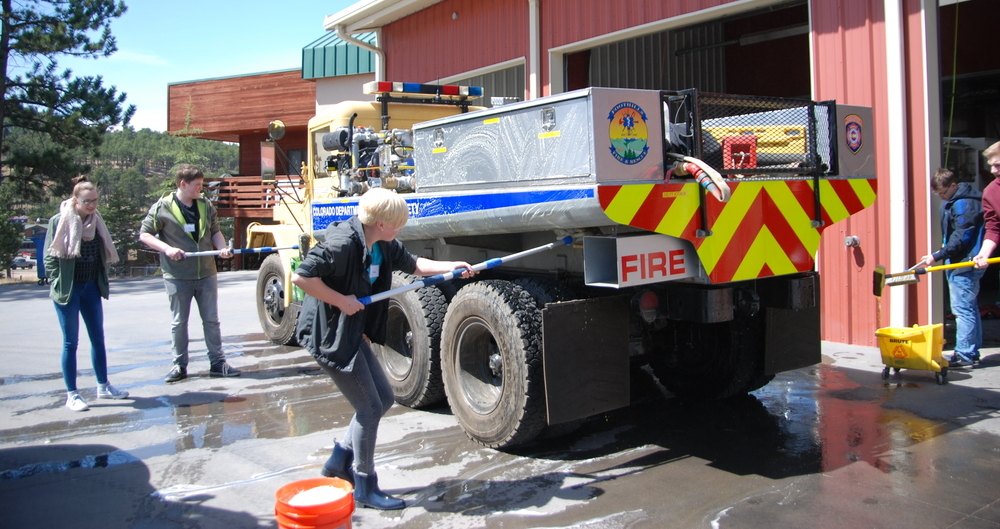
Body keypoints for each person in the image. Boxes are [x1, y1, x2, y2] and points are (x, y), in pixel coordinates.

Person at [291, 188, 477, 510]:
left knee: (384, 398)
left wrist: (453, 266)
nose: (400, 229)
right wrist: (341, 301)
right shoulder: (344, 243)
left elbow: (415, 264)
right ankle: (364, 484)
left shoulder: (383, 244)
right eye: (397, 224)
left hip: (352, 332)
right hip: (330, 334)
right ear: (379, 223)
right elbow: (301, 276)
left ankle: (339, 461)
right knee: (369, 409)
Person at [139, 164, 239, 383]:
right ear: (182, 184)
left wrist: (221, 248)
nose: (200, 190)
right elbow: (145, 235)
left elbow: (215, 231)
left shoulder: (205, 205)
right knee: (179, 322)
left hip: (206, 273)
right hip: (177, 275)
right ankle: (179, 366)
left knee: (211, 320)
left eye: (201, 186)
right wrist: (167, 249)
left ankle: (218, 363)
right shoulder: (162, 207)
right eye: (197, 186)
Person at [44, 179, 130, 411]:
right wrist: (58, 281)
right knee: (71, 342)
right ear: (75, 200)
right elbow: (49, 258)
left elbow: (103, 253)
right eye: (87, 201)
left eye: (95, 200)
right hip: (69, 289)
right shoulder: (59, 221)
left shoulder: (97, 221)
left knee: (98, 339)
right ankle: (72, 394)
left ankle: (103, 386)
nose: (92, 205)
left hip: (91, 286)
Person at [921, 168, 985, 367]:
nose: (941, 197)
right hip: (962, 260)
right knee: (970, 308)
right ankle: (971, 351)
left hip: (964, 262)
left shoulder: (963, 204)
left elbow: (962, 237)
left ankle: (965, 353)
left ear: (953, 185)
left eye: (943, 193)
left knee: (962, 309)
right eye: (937, 194)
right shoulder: (957, 200)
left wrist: (937, 256)